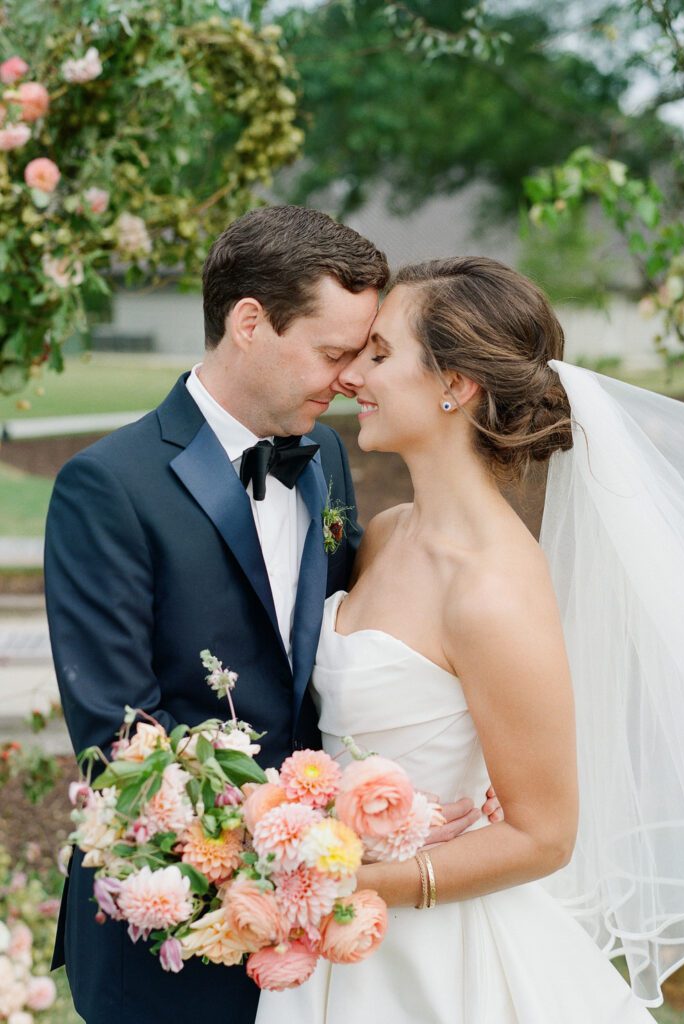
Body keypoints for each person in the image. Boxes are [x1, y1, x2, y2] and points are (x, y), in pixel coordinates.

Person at [256, 256, 684, 1023]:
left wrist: (363, 880)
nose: (353, 376)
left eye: (381, 354)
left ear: (456, 383)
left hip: (431, 957)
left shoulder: (491, 590)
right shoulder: (386, 535)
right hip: (334, 936)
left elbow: (545, 834)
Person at [44, 208, 496, 1024]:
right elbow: (122, 746)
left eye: (364, 354)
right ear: (249, 322)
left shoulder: (322, 458)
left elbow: (352, 650)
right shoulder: (106, 488)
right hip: (173, 926)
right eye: (334, 353)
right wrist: (326, 840)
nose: (353, 378)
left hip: (327, 937)